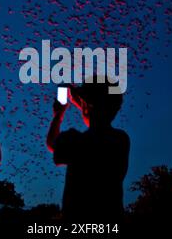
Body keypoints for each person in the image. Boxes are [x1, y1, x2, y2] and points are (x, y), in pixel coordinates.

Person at [46, 77, 130, 222]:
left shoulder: (75, 140)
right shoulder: (121, 140)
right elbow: (104, 106)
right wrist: (85, 103)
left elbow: (52, 143)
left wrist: (58, 115)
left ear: (86, 107)